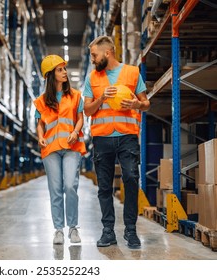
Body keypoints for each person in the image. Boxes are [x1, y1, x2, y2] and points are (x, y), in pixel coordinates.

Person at [83, 36, 150, 249]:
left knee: (131, 179)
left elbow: (146, 103)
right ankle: (108, 231)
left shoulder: (132, 72)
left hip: (127, 135)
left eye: (94, 55)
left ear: (107, 53)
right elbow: (87, 110)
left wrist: (136, 104)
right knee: (104, 187)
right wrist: (101, 98)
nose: (92, 59)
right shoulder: (92, 78)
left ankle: (131, 231)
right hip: (102, 137)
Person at [34, 54, 86, 245]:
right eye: (60, 69)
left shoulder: (75, 96)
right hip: (51, 149)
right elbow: (40, 124)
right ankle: (58, 230)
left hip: (71, 146)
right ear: (50, 74)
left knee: (70, 186)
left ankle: (73, 228)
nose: (65, 72)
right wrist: (40, 136)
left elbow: (80, 118)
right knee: (55, 189)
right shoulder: (41, 101)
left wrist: (75, 131)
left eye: (65, 68)